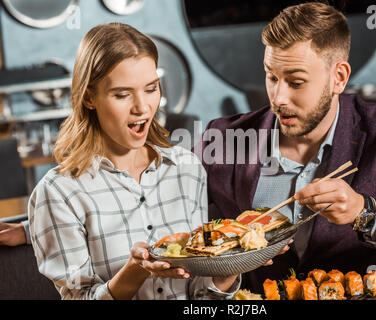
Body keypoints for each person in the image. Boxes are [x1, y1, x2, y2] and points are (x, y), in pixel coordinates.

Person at [195, 2, 376, 294]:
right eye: (272, 77)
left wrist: (365, 212)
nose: (279, 98)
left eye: (296, 81)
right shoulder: (226, 138)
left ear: (338, 77)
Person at [28, 23, 240, 300]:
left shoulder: (187, 169)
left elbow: (201, 297)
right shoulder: (58, 192)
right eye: (122, 94)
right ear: (90, 97)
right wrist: (135, 270)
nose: (142, 107)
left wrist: (225, 274)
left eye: (151, 88)